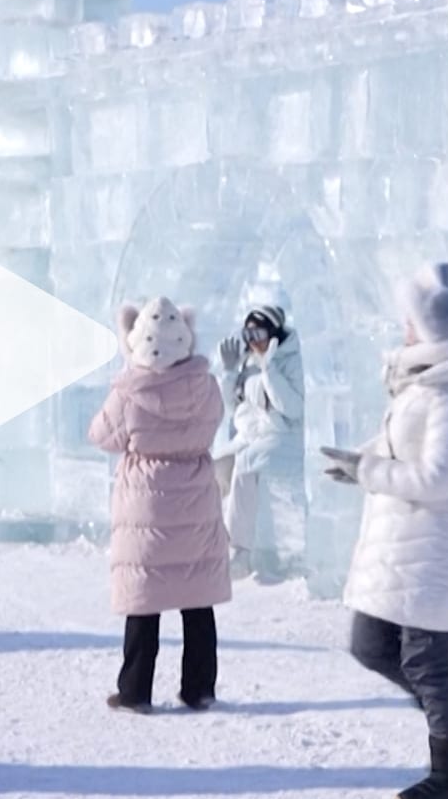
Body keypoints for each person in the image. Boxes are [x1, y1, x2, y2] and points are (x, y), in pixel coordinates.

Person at [322, 262, 448, 799]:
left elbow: (438, 478)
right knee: (370, 644)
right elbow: (396, 444)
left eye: (410, 320)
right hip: (405, 546)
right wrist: (363, 458)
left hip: (440, 549)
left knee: (428, 661)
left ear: (432, 328)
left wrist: (368, 474)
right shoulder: (426, 384)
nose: (402, 329)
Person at [89, 297, 229, 714]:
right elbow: (216, 418)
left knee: (143, 599)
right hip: (196, 496)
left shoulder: (130, 391)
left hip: (145, 504)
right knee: (197, 598)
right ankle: (199, 688)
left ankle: (135, 691)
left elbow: (101, 435)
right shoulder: (206, 386)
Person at [212, 303, 307, 582]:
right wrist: (229, 374)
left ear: (275, 332)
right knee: (214, 466)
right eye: (249, 334)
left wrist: (270, 370)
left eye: (260, 333)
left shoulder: (291, 359)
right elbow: (232, 407)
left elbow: (292, 408)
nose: (255, 341)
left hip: (283, 436)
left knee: (246, 463)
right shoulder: (248, 360)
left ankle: (240, 551)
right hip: (250, 436)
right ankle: (209, 542)